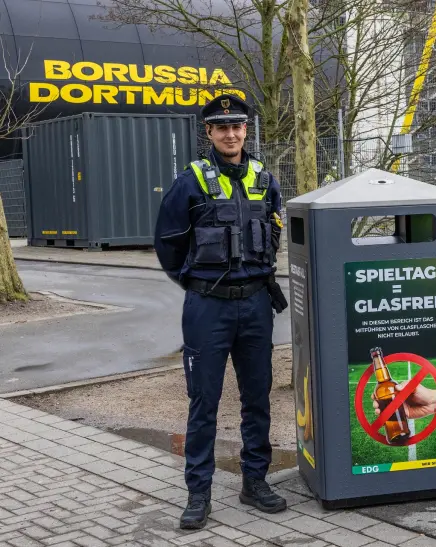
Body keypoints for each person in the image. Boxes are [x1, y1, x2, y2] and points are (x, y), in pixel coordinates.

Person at [154, 93, 289, 530]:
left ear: (247, 129)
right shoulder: (189, 181)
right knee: (204, 403)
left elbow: (274, 235)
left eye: (238, 125)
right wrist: (200, 285)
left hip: (255, 305)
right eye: (221, 126)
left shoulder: (265, 179)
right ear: (208, 132)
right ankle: (199, 494)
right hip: (207, 307)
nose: (231, 133)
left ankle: (255, 481)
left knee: (257, 399)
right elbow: (168, 246)